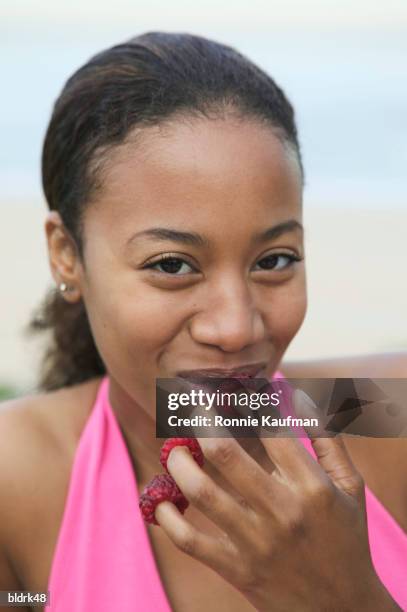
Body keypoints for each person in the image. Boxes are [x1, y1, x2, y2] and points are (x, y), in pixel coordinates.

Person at [0, 32, 406, 611]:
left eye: (275, 260)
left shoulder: (382, 415)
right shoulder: (14, 479)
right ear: (67, 254)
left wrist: (346, 596)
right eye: (172, 265)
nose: (237, 328)